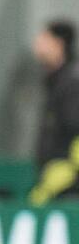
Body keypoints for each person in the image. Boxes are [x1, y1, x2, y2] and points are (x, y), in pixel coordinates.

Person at [29, 20, 79, 204]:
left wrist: (70, 173)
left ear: (59, 44)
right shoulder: (55, 82)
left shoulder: (72, 84)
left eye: (44, 38)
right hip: (54, 186)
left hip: (70, 191)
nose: (37, 43)